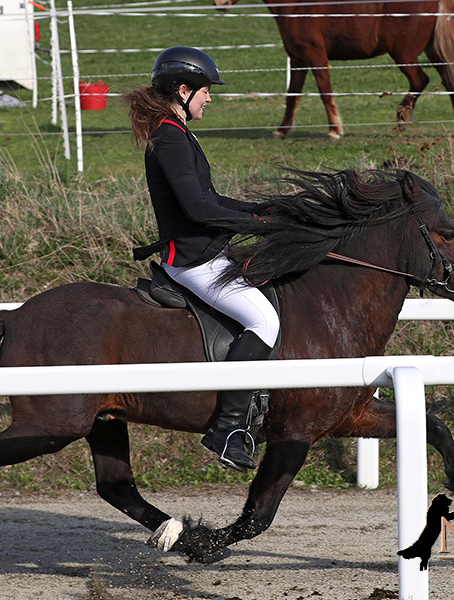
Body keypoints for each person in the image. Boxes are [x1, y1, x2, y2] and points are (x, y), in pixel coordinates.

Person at [125, 47, 280, 472]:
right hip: (195, 261)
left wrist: (262, 211)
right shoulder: (171, 137)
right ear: (183, 90)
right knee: (264, 322)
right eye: (206, 91)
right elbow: (197, 208)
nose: (209, 99)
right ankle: (227, 429)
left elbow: (212, 199)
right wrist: (258, 224)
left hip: (208, 252)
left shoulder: (177, 131)